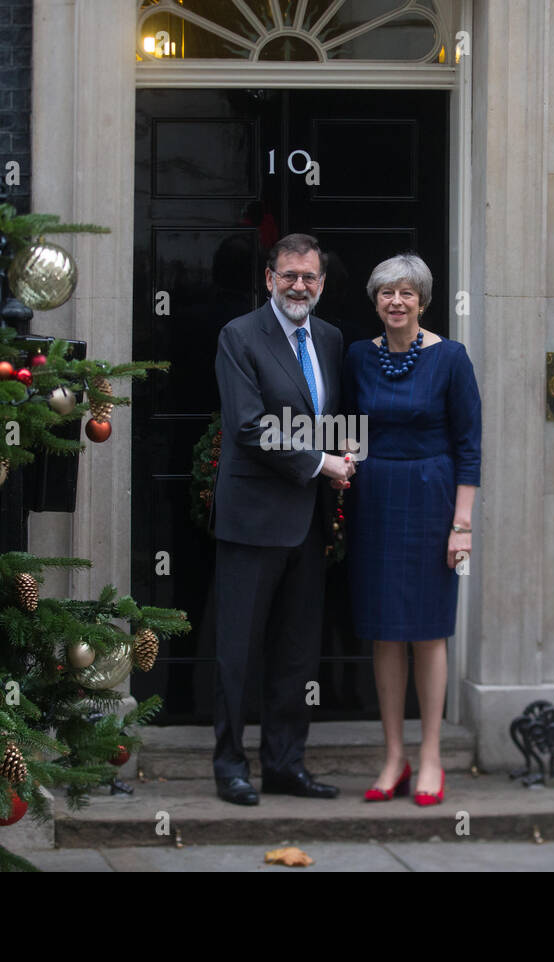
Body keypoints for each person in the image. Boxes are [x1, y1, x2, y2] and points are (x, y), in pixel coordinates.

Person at [210, 233, 355, 806]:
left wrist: (348, 453)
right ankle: (230, 767)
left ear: (321, 283)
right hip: (252, 518)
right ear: (269, 278)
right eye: (289, 275)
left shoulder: (331, 338)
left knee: (296, 654)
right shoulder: (239, 336)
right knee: (239, 653)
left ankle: (286, 765)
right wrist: (322, 462)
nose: (300, 286)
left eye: (310, 277)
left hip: (310, 522)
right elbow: (249, 426)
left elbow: (332, 417)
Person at [339, 253, 481, 806]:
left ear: (422, 300)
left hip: (432, 498)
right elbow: (350, 427)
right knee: (384, 629)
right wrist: (343, 461)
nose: (396, 302)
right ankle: (393, 754)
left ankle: (429, 756)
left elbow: (469, 447)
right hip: (375, 498)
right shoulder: (358, 357)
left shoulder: (450, 358)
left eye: (406, 292)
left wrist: (461, 526)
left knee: (426, 628)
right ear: (375, 302)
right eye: (385, 293)